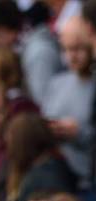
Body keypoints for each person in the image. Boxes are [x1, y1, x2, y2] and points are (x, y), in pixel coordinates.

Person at [41, 15, 94, 188]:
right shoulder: (57, 83)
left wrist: (79, 133)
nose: (72, 56)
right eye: (66, 49)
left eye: (78, 49)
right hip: (59, 179)